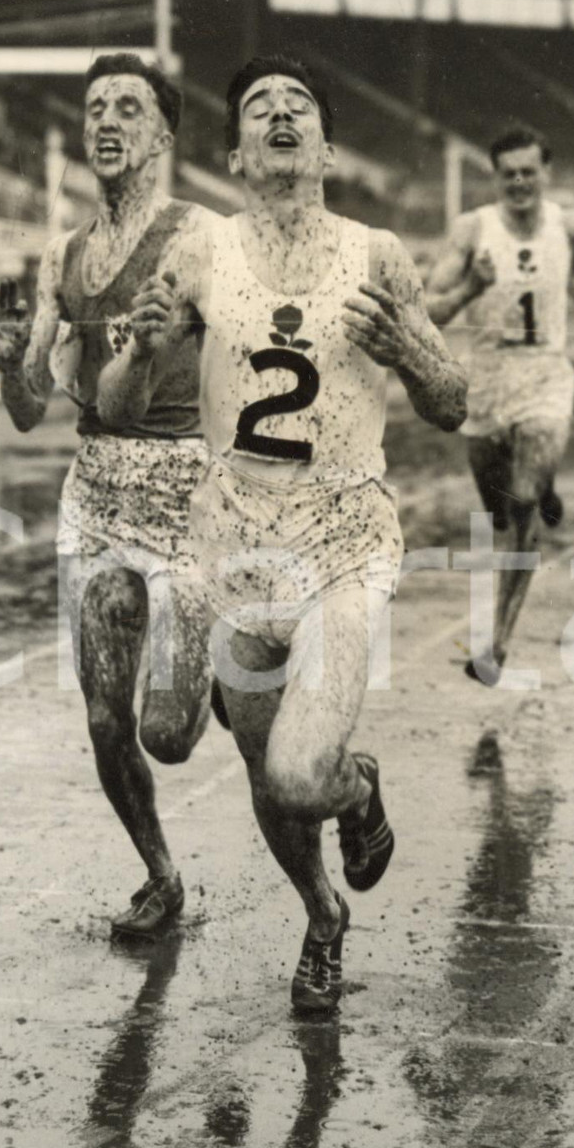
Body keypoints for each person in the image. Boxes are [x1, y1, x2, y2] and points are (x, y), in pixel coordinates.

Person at [101, 55, 468, 1014]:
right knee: (174, 738)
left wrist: (411, 352)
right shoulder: (202, 253)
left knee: (303, 775)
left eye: (297, 104)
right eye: (258, 106)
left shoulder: (377, 252)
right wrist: (141, 351)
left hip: (341, 537)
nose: (278, 114)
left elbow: (454, 401)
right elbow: (120, 406)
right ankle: (323, 916)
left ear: (327, 147)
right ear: (234, 152)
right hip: (229, 542)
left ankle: (358, 787)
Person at [0, 53, 217, 939]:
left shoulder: (199, 238)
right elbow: (29, 412)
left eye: (129, 107)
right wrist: (10, 361)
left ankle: (223, 664)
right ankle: (161, 877)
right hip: (98, 500)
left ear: (162, 133)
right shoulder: (64, 257)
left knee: (170, 733)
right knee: (104, 720)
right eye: (94, 110)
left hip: (187, 496)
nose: (107, 123)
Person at [425, 126, 574, 686]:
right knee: (497, 505)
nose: (518, 182)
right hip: (486, 384)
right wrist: (470, 289)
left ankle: (498, 646)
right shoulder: (472, 232)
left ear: (546, 173)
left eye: (528, 171)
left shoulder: (568, 225)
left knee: (522, 506)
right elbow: (430, 310)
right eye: (508, 172)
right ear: (495, 176)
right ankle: (543, 485)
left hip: (544, 377)